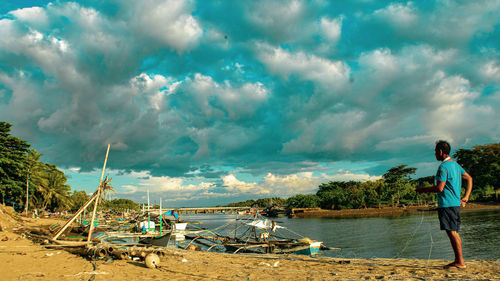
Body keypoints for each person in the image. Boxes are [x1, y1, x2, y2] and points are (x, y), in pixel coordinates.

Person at [416, 140, 473, 269]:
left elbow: (440, 188)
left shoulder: (443, 167)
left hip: (447, 205)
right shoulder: (455, 165)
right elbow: (469, 178)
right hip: (454, 205)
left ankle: (460, 262)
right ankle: (458, 260)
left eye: (436, 151)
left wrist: (422, 190)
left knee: (452, 233)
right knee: (453, 232)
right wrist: (466, 197)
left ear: (441, 152)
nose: (435, 154)